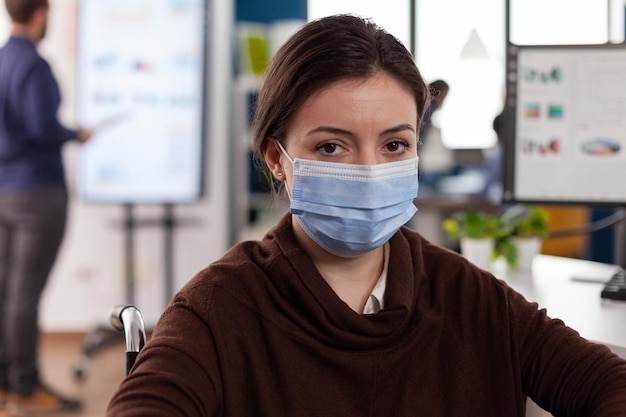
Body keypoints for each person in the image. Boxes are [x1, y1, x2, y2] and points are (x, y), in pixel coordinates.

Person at [106, 14, 626, 417]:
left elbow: (607, 384)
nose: (370, 170)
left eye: (395, 144)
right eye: (332, 147)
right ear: (275, 159)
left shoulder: (470, 297)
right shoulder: (218, 311)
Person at [0, 0, 91, 414]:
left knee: (6, 291)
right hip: (37, 194)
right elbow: (42, 127)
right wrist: (75, 133)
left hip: (4, 190)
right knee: (24, 296)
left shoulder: (2, 61)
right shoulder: (34, 65)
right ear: (41, 14)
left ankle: (5, 382)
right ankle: (25, 385)